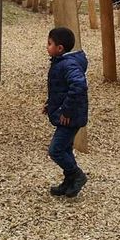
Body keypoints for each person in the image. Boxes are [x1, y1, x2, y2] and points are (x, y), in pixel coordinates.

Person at [43, 26, 89, 198]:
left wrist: (66, 111)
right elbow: (60, 90)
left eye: (49, 44)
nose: (47, 47)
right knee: (66, 149)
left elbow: (78, 86)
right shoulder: (61, 63)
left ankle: (77, 175)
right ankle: (69, 181)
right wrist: (50, 105)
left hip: (70, 118)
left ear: (60, 48)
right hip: (68, 115)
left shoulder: (67, 65)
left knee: (55, 150)